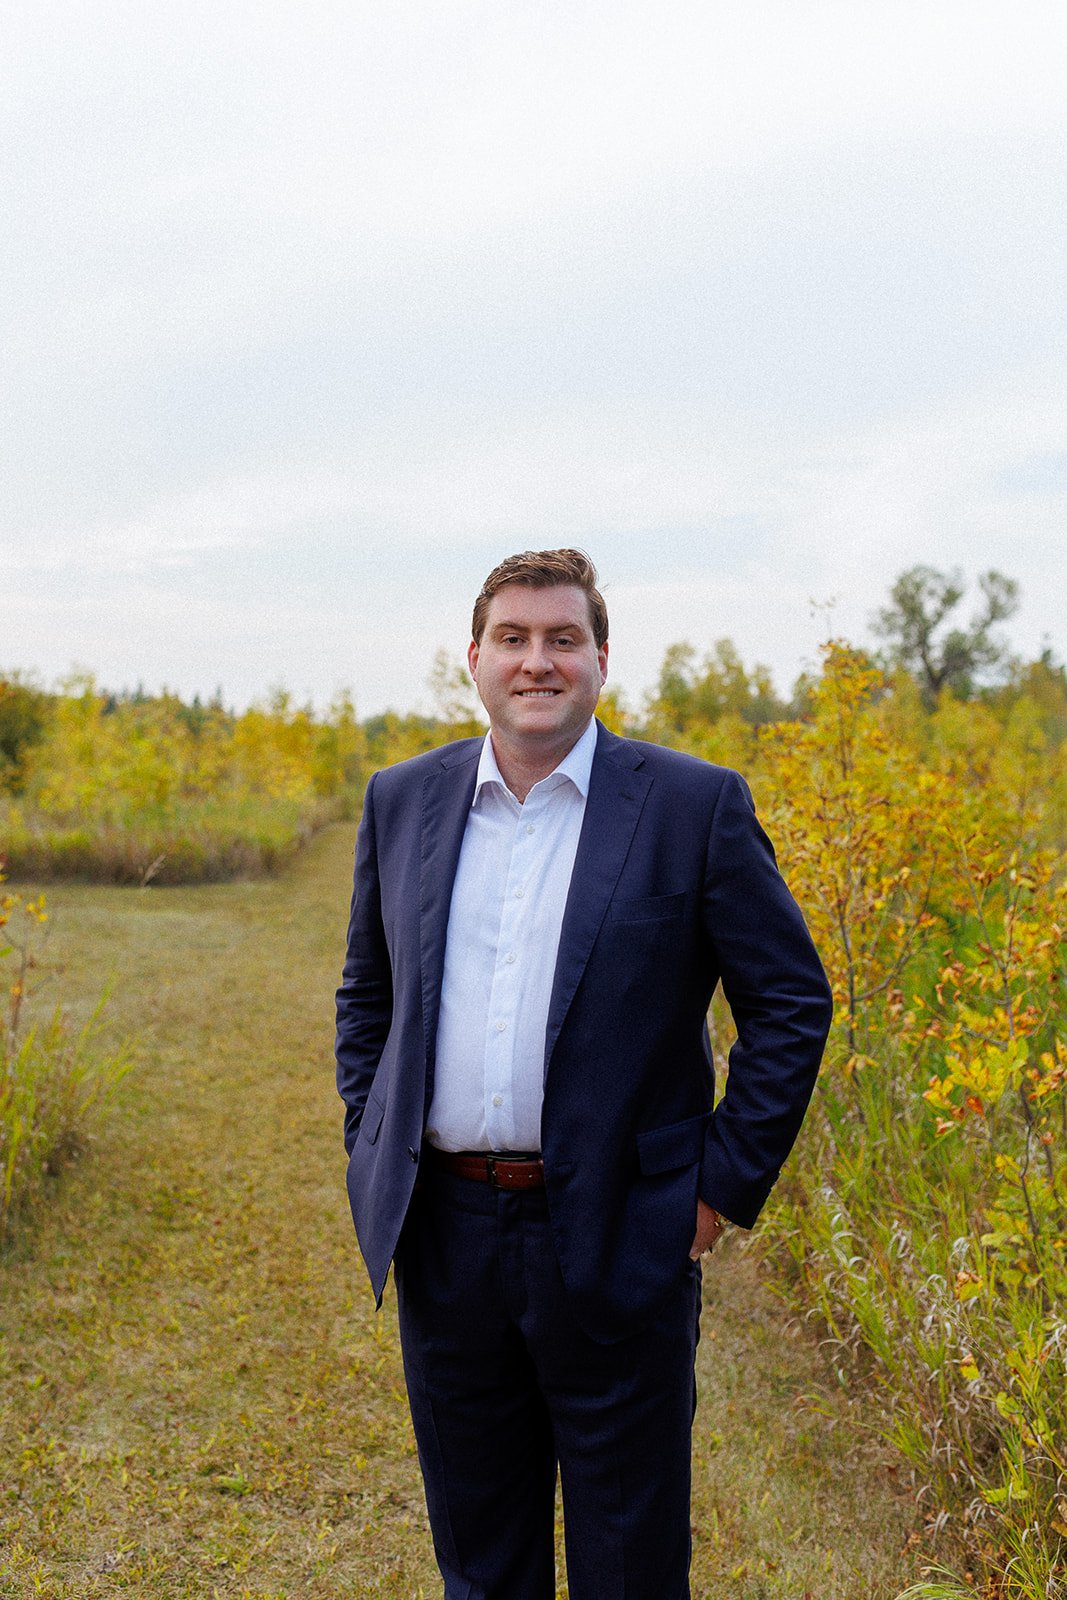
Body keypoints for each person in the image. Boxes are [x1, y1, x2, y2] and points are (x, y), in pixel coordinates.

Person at [335, 548, 833, 1600]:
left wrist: (714, 1189)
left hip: (619, 1232)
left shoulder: (691, 807)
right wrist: (370, 1147)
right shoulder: (401, 801)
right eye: (512, 638)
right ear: (472, 657)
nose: (536, 662)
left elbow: (789, 1000)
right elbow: (368, 999)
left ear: (600, 658)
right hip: (446, 1238)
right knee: (480, 1561)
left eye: (562, 639)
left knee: (629, 1564)